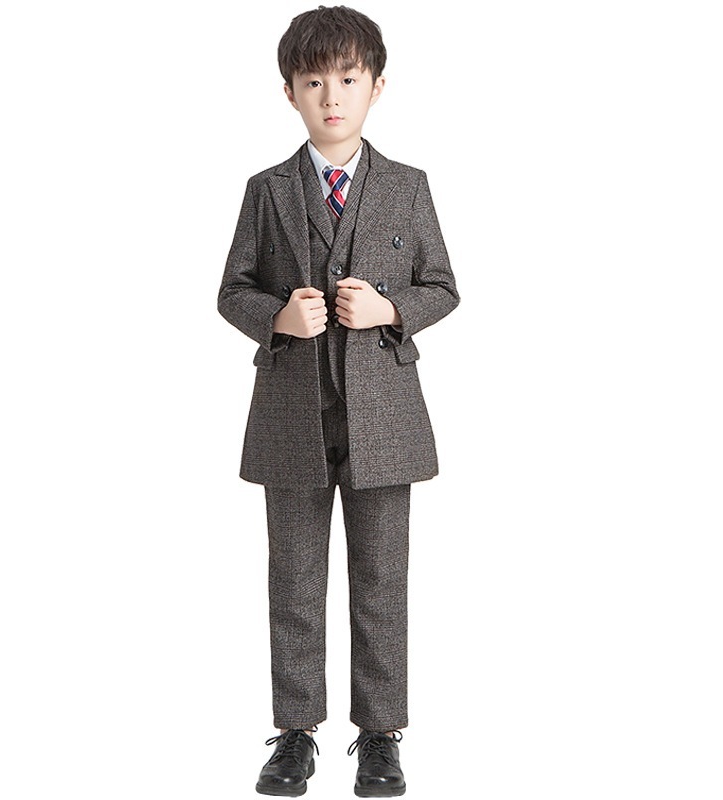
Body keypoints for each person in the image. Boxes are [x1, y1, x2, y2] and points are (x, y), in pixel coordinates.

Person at [217, 5, 459, 796]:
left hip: (384, 415)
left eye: (348, 79)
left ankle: (381, 734)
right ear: (288, 90)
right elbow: (232, 290)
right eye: (314, 80)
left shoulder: (408, 187)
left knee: (382, 579)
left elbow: (442, 286)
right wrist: (277, 319)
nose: (331, 96)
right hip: (291, 414)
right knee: (293, 579)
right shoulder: (266, 190)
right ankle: (295, 733)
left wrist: (389, 308)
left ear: (376, 86)